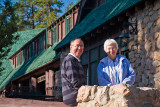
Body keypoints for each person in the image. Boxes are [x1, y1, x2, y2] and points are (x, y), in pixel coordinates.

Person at [61, 38, 86, 107]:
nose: (79, 48)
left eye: (81, 46)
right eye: (77, 46)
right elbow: (74, 81)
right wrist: (86, 91)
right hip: (73, 98)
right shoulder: (70, 60)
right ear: (71, 47)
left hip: (75, 96)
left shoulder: (76, 61)